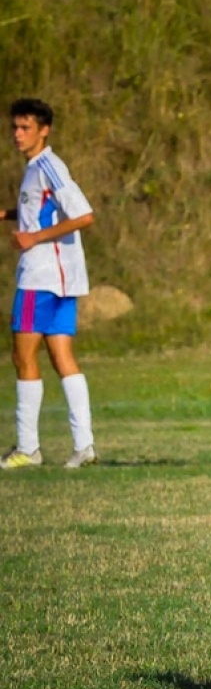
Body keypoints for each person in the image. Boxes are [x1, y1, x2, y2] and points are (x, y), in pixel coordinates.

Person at [3, 99, 97, 470]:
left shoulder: (48, 166)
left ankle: (28, 448)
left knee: (22, 356)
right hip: (61, 280)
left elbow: (83, 215)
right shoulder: (34, 170)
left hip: (41, 277)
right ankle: (84, 446)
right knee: (62, 358)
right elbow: (39, 208)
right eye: (14, 127)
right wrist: (8, 214)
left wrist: (33, 238)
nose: (17, 134)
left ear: (45, 130)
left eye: (25, 128)